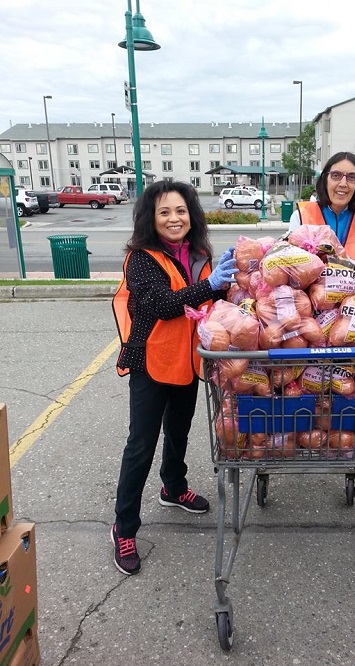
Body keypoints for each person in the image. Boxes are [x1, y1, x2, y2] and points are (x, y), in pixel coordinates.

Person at [111, 180, 238, 575]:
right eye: (164, 212)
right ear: (151, 217)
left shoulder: (199, 253)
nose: (173, 218)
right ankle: (124, 527)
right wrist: (210, 284)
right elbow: (164, 305)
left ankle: (173, 486)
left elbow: (209, 300)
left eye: (180, 210)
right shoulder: (141, 258)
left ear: (191, 215)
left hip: (188, 360)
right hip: (152, 360)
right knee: (141, 444)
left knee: (179, 430)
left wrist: (236, 286)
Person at [288, 151, 355, 282]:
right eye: (336, 175)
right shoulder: (301, 216)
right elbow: (291, 266)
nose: (343, 183)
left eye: (351, 177)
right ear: (325, 179)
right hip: (314, 300)